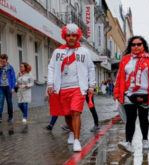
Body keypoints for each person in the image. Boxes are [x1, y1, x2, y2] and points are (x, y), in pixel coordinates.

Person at [47, 23, 96, 152]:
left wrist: (91, 85)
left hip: (78, 88)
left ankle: (76, 140)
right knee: (67, 115)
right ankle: (72, 132)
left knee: (75, 112)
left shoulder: (84, 51)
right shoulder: (58, 52)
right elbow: (51, 68)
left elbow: (91, 68)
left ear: (78, 36)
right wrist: (50, 84)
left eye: (74, 35)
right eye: (68, 35)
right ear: (65, 36)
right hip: (62, 88)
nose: (71, 38)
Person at [113, 36, 149, 153]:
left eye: (139, 44)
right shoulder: (125, 60)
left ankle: (145, 139)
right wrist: (116, 92)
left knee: (143, 118)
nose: (136, 46)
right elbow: (119, 78)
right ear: (130, 46)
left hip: (145, 94)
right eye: (133, 44)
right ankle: (128, 142)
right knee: (130, 119)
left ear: (143, 45)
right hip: (129, 94)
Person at [0, 54, 16, 123]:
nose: (2, 62)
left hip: (8, 87)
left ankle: (10, 117)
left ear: (6, 60)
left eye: (3, 61)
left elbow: (13, 78)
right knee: (0, 102)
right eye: (1, 61)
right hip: (1, 87)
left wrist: (13, 88)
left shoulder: (10, 67)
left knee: (9, 102)